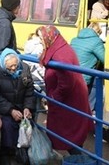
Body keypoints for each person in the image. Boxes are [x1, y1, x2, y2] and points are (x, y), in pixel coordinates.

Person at [36, 25, 92, 155]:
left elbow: (66, 82)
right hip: (70, 100)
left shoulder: (60, 55)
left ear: (48, 37)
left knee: (70, 136)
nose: (39, 40)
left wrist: (54, 97)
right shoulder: (59, 48)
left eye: (41, 37)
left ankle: (78, 161)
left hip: (68, 101)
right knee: (71, 136)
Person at [0, 48, 35, 163]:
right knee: (7, 126)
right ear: (4, 65)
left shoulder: (25, 68)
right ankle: (8, 154)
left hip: (21, 107)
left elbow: (29, 92)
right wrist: (11, 110)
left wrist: (27, 107)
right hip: (5, 109)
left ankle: (22, 154)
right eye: (10, 67)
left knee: (27, 124)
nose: (14, 68)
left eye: (16, 65)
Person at [70, 22, 105, 112]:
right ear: (97, 32)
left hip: (71, 75)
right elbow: (105, 59)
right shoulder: (96, 41)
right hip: (84, 78)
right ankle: (89, 112)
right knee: (98, 85)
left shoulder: (75, 39)